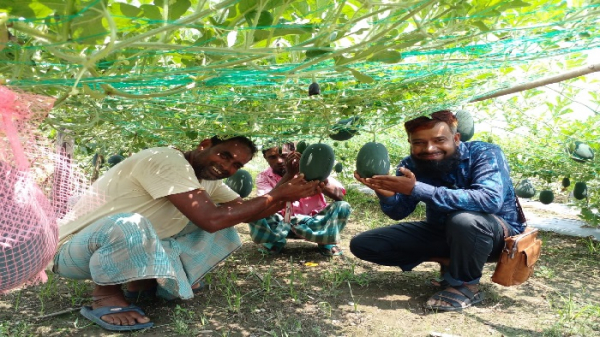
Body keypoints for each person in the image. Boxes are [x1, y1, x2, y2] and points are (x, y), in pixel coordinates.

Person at [52, 136, 323, 331]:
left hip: (111, 247)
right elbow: (211, 219)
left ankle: (143, 284)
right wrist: (278, 193)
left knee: (225, 221)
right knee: (130, 223)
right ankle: (105, 294)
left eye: (236, 165)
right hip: (74, 252)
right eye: (224, 155)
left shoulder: (205, 179)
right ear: (204, 144)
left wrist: (290, 182)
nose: (227, 167)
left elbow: (246, 211)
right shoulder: (165, 159)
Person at [350, 110, 525, 312]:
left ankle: (466, 284)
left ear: (456, 138)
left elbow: (489, 200)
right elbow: (399, 211)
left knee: (465, 221)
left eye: (439, 140)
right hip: (443, 231)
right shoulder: (410, 165)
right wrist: (385, 192)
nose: (429, 148)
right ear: (410, 142)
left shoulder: (485, 153)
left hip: (496, 235)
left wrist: (416, 188)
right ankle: (450, 260)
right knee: (365, 244)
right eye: (419, 142)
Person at [248, 143, 351, 256]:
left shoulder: (310, 169)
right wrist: (289, 175)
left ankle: (325, 241)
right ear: (265, 158)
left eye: (284, 156)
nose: (279, 161)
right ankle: (274, 241)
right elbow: (265, 201)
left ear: (294, 154)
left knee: (343, 206)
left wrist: (318, 177)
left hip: (313, 224)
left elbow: (339, 196)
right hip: (280, 224)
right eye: (272, 157)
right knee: (256, 207)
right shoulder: (263, 176)